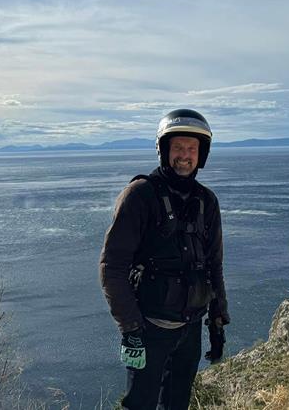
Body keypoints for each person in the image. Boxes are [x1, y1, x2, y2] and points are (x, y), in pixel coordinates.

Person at [100, 109, 230, 410]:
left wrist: (217, 318)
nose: (184, 156)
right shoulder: (140, 195)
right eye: (178, 148)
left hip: (191, 328)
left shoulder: (206, 201)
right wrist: (130, 328)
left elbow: (214, 263)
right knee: (141, 405)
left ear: (202, 154)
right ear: (164, 150)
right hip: (149, 329)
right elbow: (112, 267)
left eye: (192, 149)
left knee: (177, 403)